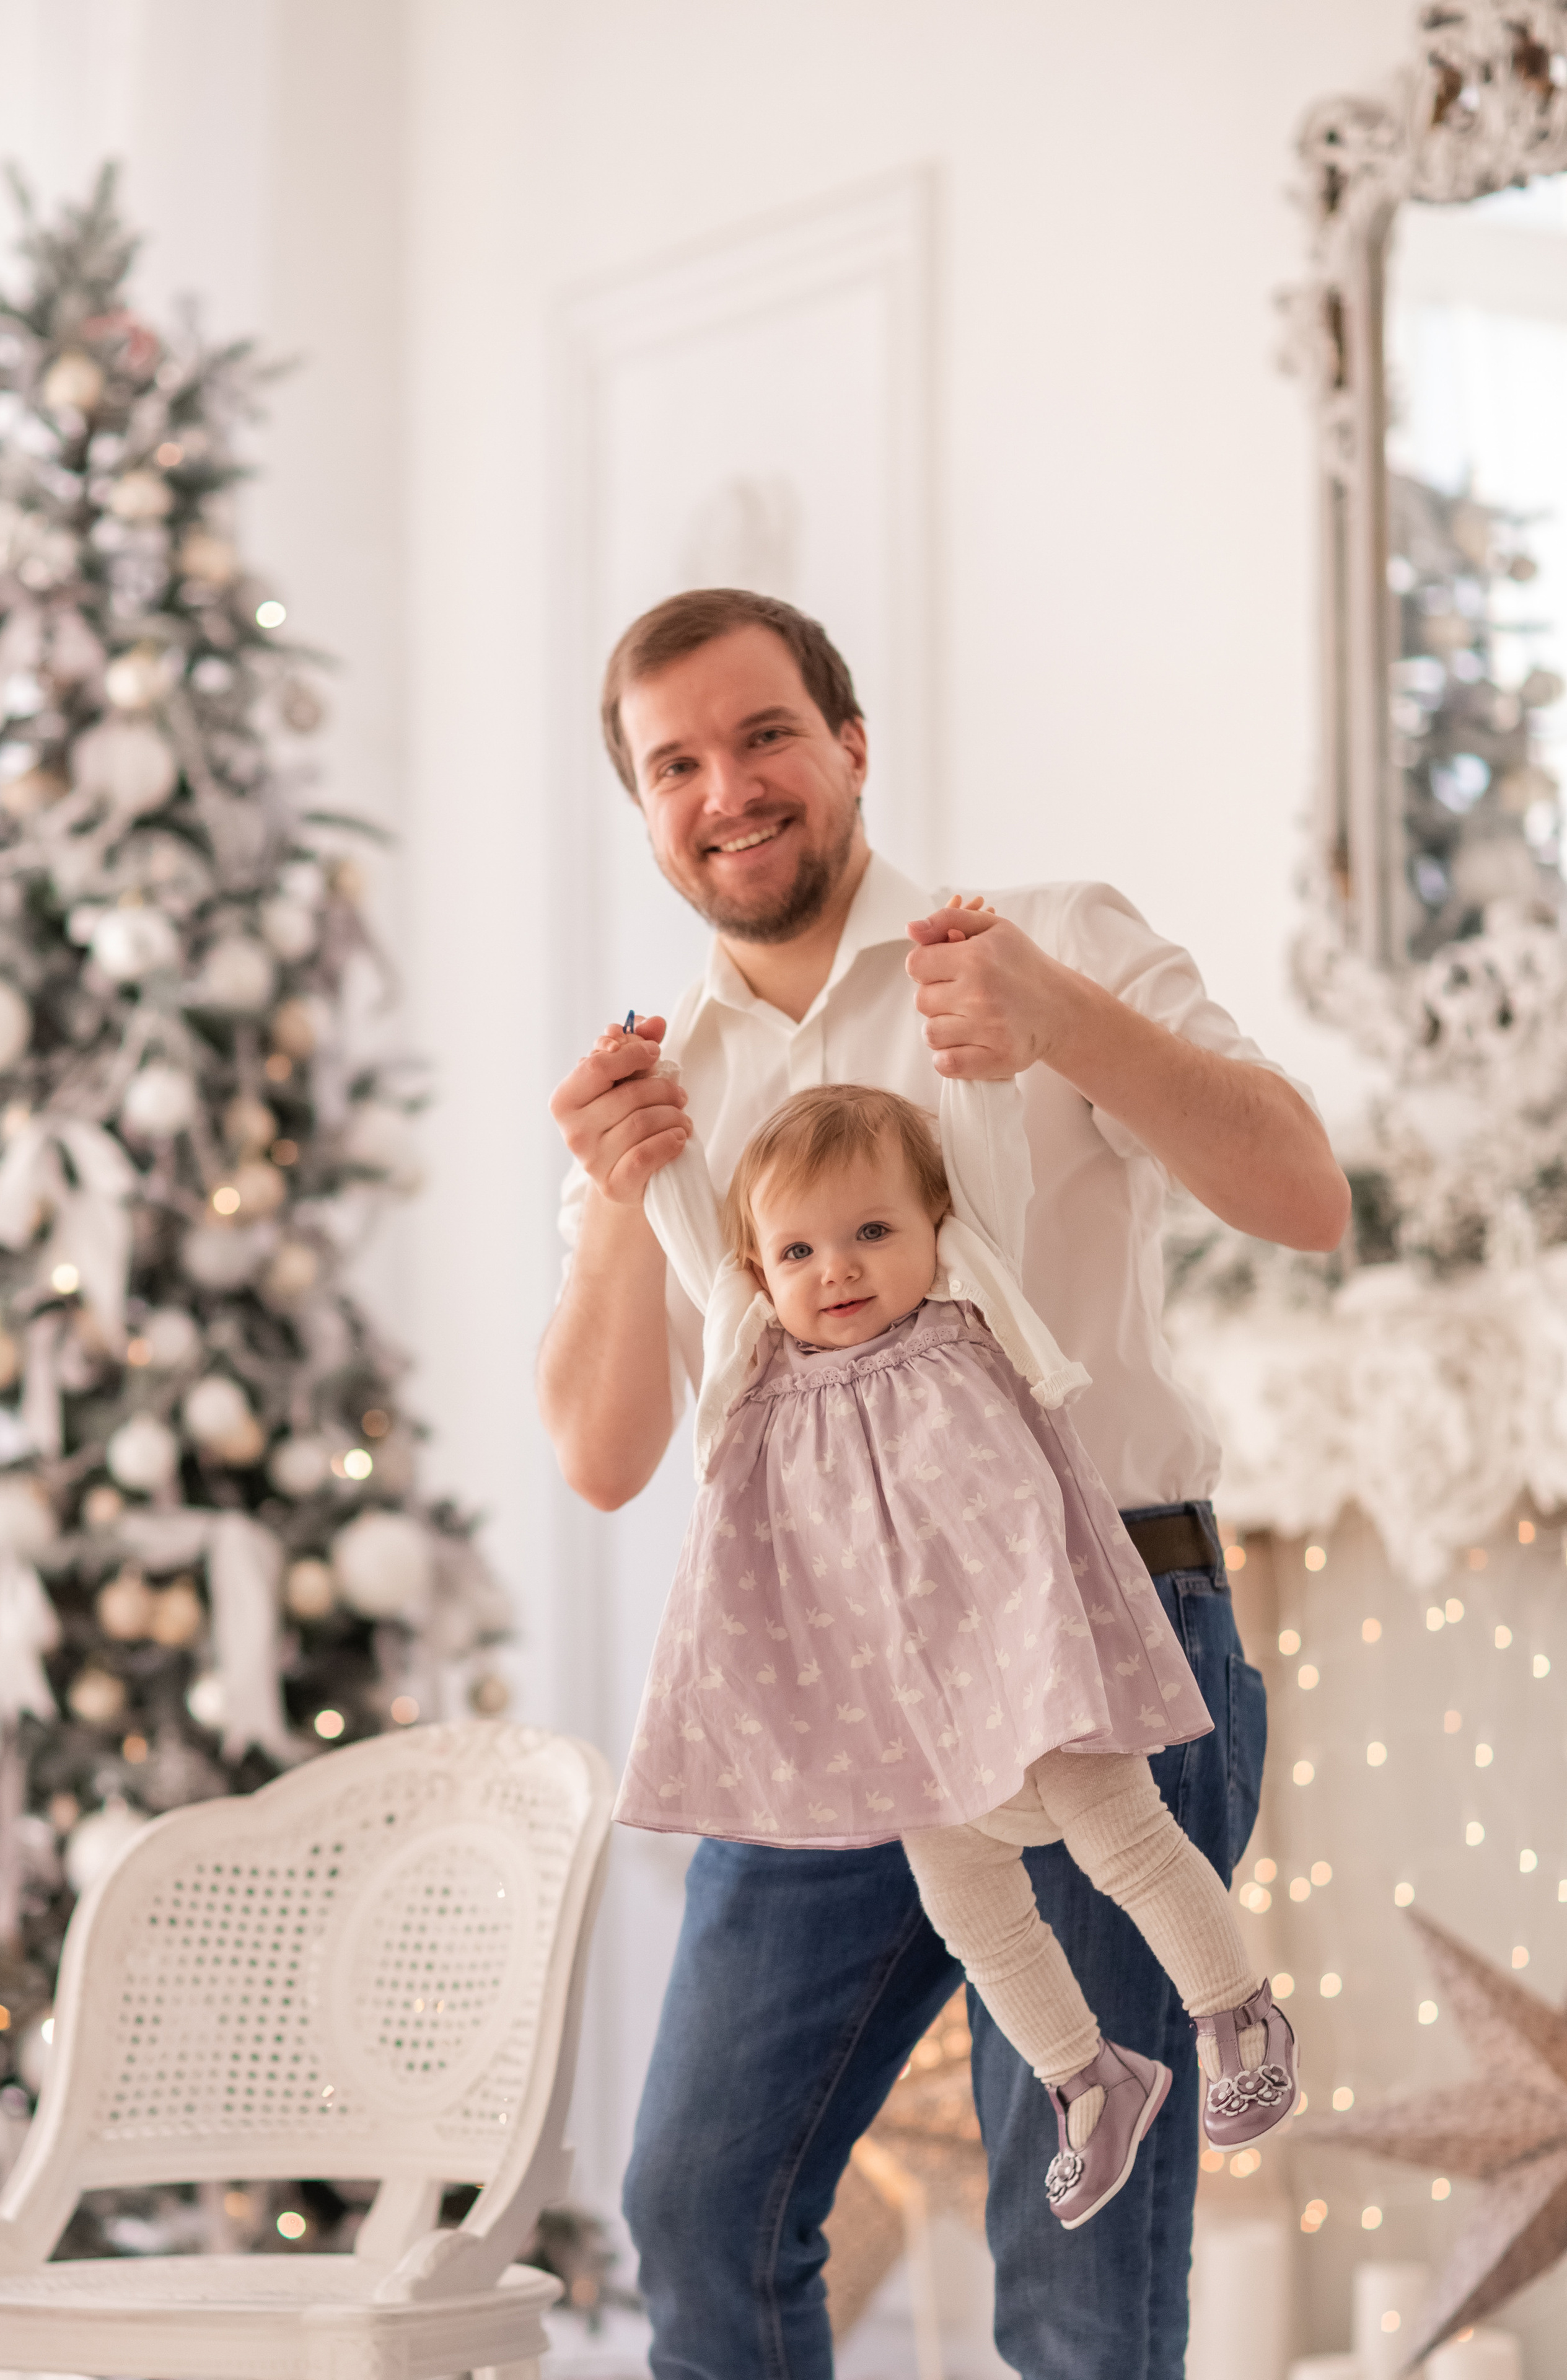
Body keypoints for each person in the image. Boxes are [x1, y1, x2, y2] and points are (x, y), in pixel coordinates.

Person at [540, 589, 1349, 2377]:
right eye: (673, 764)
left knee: (1073, 2259)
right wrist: (616, 1201)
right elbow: (601, 1461)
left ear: (849, 745)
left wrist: (1062, 1022)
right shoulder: (660, 1098)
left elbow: (1308, 1194)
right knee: (697, 2196)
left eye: (762, 736)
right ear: (645, 808)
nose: (726, 790)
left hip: (1103, 1631)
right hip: (828, 1688)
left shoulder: (1045, 942)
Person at [605, 1046, 1299, 2229]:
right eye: (799, 1251)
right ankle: (1090, 2079)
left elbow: (980, 1147)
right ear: (756, 1271)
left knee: (1121, 1835)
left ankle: (1236, 2010)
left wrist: (975, 1046)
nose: (837, 1270)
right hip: (898, 1703)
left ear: (936, 1227)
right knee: (967, 1903)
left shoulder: (971, 1308)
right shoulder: (755, 1355)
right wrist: (646, 1125)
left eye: (872, 1231)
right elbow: (683, 1221)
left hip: (1025, 1656)